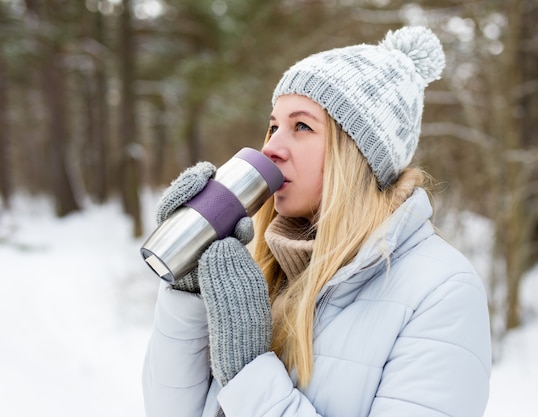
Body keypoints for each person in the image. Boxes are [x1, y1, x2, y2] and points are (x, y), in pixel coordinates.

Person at [142, 26, 492, 417]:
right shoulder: (266, 274)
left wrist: (248, 371)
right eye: (273, 126)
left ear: (358, 154)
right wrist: (190, 289)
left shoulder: (440, 291)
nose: (271, 147)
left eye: (302, 126)